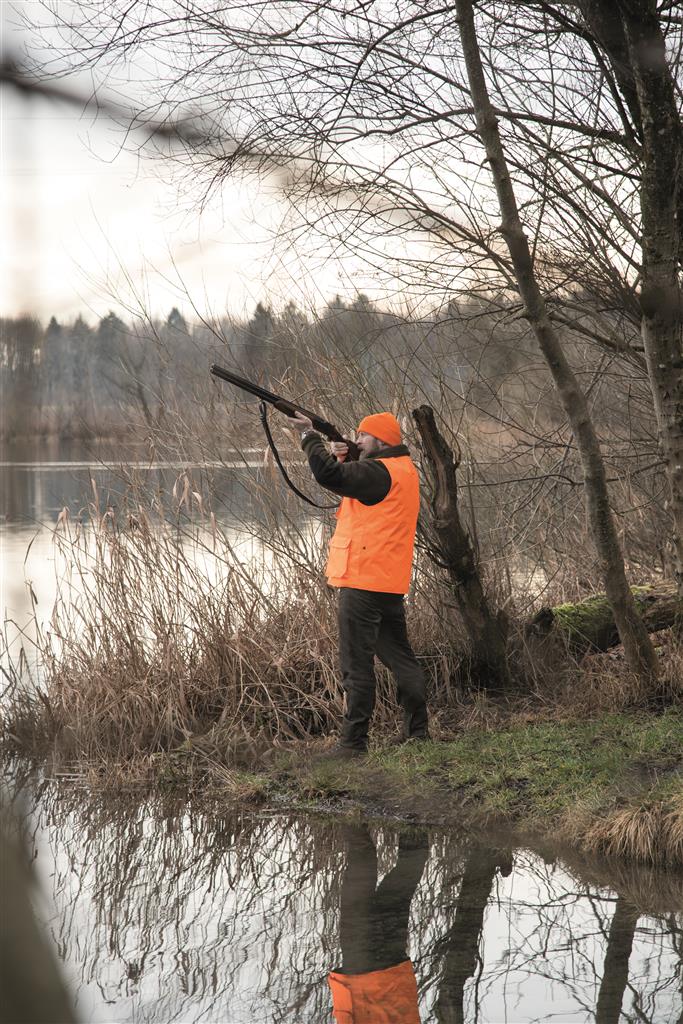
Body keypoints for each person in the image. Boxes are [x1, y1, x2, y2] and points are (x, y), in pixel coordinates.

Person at [285, 408, 429, 757]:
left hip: (362, 580)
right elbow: (361, 486)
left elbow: (328, 474)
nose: (359, 439)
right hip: (387, 581)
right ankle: (418, 732)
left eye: (364, 435)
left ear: (381, 441)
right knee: (401, 658)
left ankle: (353, 744)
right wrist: (349, 452)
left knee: (356, 665)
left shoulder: (378, 471)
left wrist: (309, 436)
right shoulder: (401, 470)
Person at [327, 823, 428, 1023]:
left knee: (397, 867)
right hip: (369, 970)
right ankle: (409, 810)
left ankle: (411, 811)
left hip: (381, 972)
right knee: (364, 858)